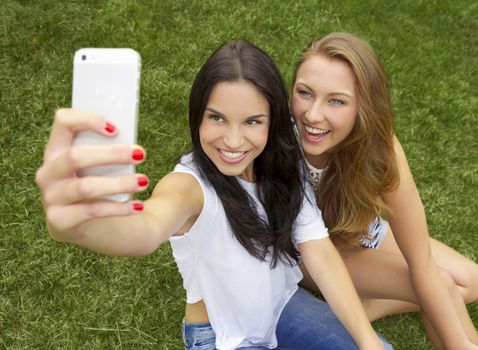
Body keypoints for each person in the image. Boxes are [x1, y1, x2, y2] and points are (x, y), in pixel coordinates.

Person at [35, 40, 391, 350]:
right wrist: (75, 228)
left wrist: (366, 341)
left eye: (252, 121)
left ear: (273, 121)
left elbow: (321, 253)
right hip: (223, 338)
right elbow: (145, 230)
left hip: (281, 307)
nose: (233, 142)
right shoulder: (188, 187)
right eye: (217, 118)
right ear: (198, 117)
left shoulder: (284, 166)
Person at [291, 32, 478, 349]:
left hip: (359, 234)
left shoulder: (379, 151)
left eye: (336, 100)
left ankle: (365, 308)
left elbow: (422, 263)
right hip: (308, 251)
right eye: (305, 93)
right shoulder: (274, 140)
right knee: (443, 286)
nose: (313, 115)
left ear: (363, 106)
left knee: (471, 281)